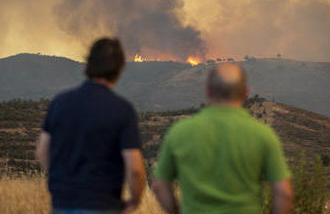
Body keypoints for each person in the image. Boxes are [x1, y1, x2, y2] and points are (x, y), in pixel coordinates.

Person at [152, 63, 293, 214]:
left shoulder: (180, 132)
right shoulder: (263, 135)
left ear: (208, 91)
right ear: (245, 92)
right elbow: (284, 194)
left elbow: (160, 185)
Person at [36, 38, 146, 214]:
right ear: (119, 69)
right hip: (103, 204)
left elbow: (42, 151)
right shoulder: (122, 109)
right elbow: (135, 169)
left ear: (88, 65)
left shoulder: (59, 102)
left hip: (62, 204)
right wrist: (135, 200)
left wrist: (62, 181)